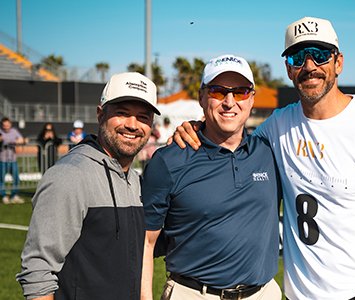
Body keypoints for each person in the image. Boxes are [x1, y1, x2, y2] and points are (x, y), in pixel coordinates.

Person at [173, 17, 355, 300]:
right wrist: (197, 126)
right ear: (289, 69)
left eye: (319, 54)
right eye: (297, 57)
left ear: (338, 63)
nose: (309, 67)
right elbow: (232, 139)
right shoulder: (279, 125)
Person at [141, 54, 282, 300]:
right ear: (201, 97)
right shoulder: (169, 160)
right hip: (193, 294)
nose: (229, 102)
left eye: (240, 92)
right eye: (218, 91)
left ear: (251, 100)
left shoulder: (270, 151)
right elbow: (145, 243)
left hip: (263, 294)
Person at [16, 71, 161, 300]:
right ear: (100, 114)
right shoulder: (68, 175)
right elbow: (38, 273)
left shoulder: (134, 180)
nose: (133, 125)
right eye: (122, 113)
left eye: (143, 117)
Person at [0, 117, 26, 204]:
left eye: (8, 125)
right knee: (1, 179)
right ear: (2, 125)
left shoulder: (14, 131)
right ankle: (4, 196)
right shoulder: (0, 131)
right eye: (4, 125)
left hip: (13, 159)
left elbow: (21, 139)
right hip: (2, 159)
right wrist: (13, 141)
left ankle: (14, 195)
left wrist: (12, 141)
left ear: (10, 124)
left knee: (16, 178)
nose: (6, 127)